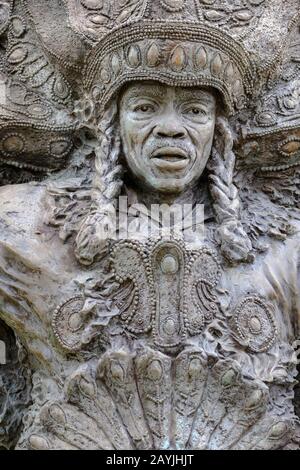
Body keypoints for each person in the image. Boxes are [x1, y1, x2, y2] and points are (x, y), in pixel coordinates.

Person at [0, 0, 299, 450]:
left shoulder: (285, 255)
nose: (171, 129)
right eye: (145, 107)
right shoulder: (25, 231)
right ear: (110, 125)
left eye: (195, 111)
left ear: (220, 133)